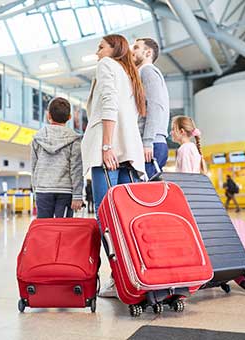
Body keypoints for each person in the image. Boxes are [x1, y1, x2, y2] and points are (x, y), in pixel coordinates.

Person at [81, 34, 146, 298]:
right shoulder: (128, 74)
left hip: (110, 151)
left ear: (113, 49)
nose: (97, 52)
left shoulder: (107, 65)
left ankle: (117, 278)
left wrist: (106, 145)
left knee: (106, 216)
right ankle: (135, 274)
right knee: (126, 217)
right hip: (129, 151)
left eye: (101, 47)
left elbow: (108, 104)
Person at [30, 97, 83, 218]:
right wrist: (77, 195)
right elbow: (76, 169)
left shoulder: (38, 138)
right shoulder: (74, 140)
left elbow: (33, 167)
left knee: (44, 228)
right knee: (63, 229)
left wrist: (35, 190)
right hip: (65, 191)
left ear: (48, 116)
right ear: (69, 117)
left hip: (43, 190)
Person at [132, 38, 170, 179]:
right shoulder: (142, 72)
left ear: (148, 53)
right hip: (151, 142)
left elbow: (155, 106)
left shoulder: (147, 71)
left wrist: (147, 141)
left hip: (151, 144)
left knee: (145, 196)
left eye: (136, 47)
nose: (132, 51)